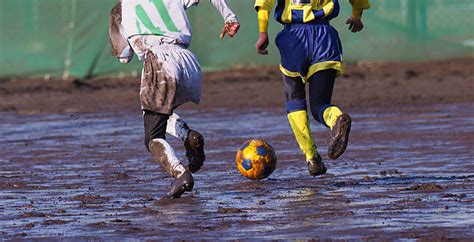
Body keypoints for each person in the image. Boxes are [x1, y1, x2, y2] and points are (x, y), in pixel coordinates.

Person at [109, 0, 240, 198]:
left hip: (159, 63)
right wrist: (229, 16)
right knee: (160, 113)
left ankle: (180, 174)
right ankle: (187, 136)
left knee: (152, 137)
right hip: (188, 60)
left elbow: (123, 56)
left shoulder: (120, 9)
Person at [253, 0, 370, 176]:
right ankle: (336, 119)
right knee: (320, 105)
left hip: (293, 37)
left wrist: (263, 32)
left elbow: (264, 3)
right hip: (324, 37)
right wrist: (356, 16)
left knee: (295, 100)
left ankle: (311, 157)